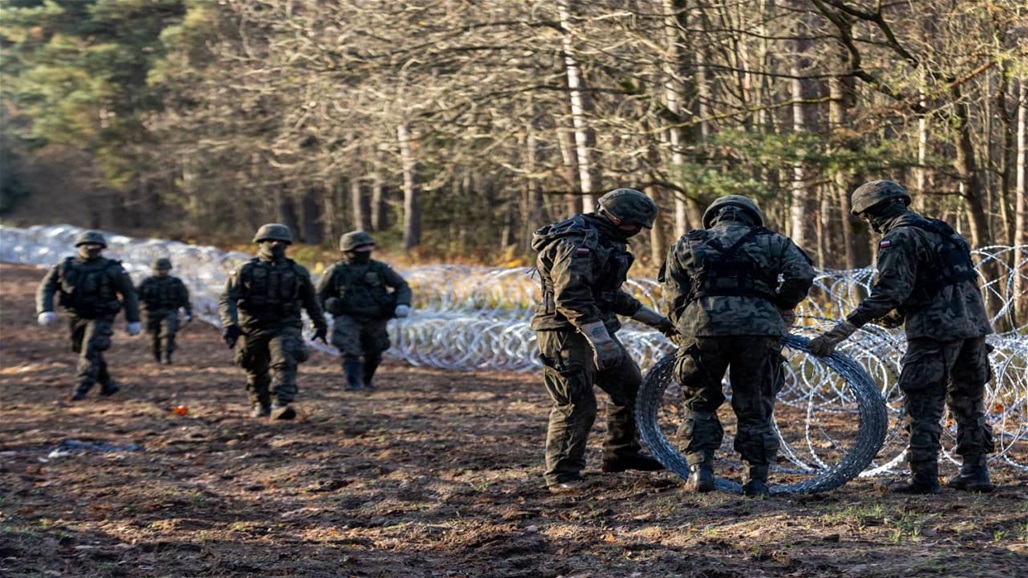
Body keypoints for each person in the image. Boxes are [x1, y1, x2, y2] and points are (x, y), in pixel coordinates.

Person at [809, 180, 996, 494]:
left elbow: (891, 292)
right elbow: (938, 283)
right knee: (969, 404)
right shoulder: (944, 231)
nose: (869, 224)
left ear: (876, 212)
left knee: (922, 403)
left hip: (934, 332)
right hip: (974, 329)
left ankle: (924, 477)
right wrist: (894, 315)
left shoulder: (899, 237)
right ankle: (976, 472)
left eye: (868, 216)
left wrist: (841, 331)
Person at [659, 195, 815, 497]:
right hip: (759, 328)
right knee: (755, 404)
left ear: (712, 217)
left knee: (699, 401)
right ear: (752, 217)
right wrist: (779, 303)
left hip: (703, 325)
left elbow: (672, 294)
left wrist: (684, 323)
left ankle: (700, 470)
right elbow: (802, 274)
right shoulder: (773, 241)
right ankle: (756, 479)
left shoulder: (688, 242)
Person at [531, 188, 676, 494]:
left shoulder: (604, 241)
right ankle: (561, 473)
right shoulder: (576, 243)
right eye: (634, 224)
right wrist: (602, 342)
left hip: (596, 331)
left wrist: (660, 323)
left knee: (631, 389)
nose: (638, 231)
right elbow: (571, 298)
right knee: (576, 403)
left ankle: (620, 453)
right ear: (614, 217)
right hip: (564, 334)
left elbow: (610, 296)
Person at [218, 224, 328, 420]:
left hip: (285, 324)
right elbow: (228, 299)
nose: (275, 244)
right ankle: (261, 403)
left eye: (281, 242)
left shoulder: (297, 272)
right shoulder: (245, 271)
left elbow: (312, 301)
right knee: (255, 367)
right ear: (260, 243)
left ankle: (281, 403)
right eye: (270, 241)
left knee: (285, 361)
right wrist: (230, 324)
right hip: (252, 325)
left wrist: (320, 325)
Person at [36, 230, 141, 400]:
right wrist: (45, 309)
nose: (91, 249)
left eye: (96, 246)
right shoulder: (65, 266)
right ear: (79, 247)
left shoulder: (113, 269)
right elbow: (46, 287)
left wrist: (133, 320)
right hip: (75, 314)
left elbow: (129, 293)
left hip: (102, 315)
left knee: (91, 349)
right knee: (82, 349)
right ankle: (108, 384)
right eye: (88, 245)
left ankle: (81, 389)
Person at [316, 230, 412, 391]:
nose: (365, 250)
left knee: (374, 350)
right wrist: (320, 315)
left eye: (368, 246)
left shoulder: (379, 268)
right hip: (348, 315)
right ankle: (353, 383)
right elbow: (320, 293)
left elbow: (402, 286)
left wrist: (402, 304)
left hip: (375, 316)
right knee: (349, 348)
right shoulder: (336, 271)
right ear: (348, 251)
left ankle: (366, 380)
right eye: (360, 248)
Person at [136, 257, 193, 365]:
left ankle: (166, 356)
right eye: (159, 269)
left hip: (169, 311)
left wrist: (188, 312)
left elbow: (184, 299)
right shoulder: (147, 282)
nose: (162, 272)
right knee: (154, 337)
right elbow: (136, 297)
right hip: (150, 313)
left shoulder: (176, 283)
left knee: (168, 333)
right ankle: (157, 355)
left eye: (164, 269)